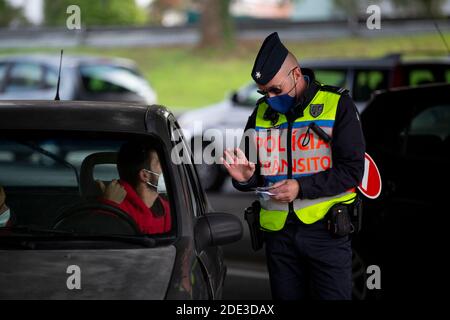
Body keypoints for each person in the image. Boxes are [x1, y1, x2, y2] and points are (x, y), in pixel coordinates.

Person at [221, 32, 365, 300]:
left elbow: (352, 170)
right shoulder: (261, 113)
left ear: (296, 74)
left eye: (276, 89)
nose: (271, 97)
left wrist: (301, 187)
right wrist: (247, 178)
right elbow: (254, 172)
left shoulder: (337, 105)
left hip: (326, 233)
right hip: (279, 237)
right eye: (264, 92)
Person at [98, 141, 171, 235]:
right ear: (145, 175)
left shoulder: (170, 209)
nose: (168, 167)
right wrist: (108, 206)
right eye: (161, 163)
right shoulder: (114, 209)